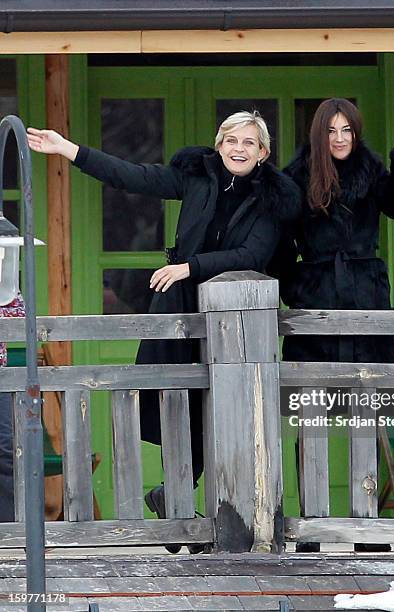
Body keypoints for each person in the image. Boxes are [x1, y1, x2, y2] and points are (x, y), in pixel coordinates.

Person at [27, 111, 301, 552]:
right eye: (231, 140)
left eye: (249, 143)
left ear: (263, 153)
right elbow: (132, 176)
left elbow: (252, 252)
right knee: (178, 406)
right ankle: (179, 508)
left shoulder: (273, 198)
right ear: (219, 145)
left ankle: (199, 512)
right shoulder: (198, 177)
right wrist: (69, 149)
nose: (238, 149)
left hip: (237, 322)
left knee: (228, 413)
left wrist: (187, 267)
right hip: (179, 311)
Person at [272, 98, 394, 552]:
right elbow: (280, 244)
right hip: (316, 301)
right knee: (312, 416)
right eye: (332, 131)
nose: (340, 139)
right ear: (318, 136)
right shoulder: (295, 179)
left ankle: (367, 524)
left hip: (365, 298)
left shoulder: (371, 170)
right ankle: (310, 524)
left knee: (368, 409)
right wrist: (296, 288)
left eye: (347, 130)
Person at [0, 293, 25, 522]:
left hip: (0, 378)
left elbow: (20, 316)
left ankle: (14, 529)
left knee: (7, 450)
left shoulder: (4, 281)